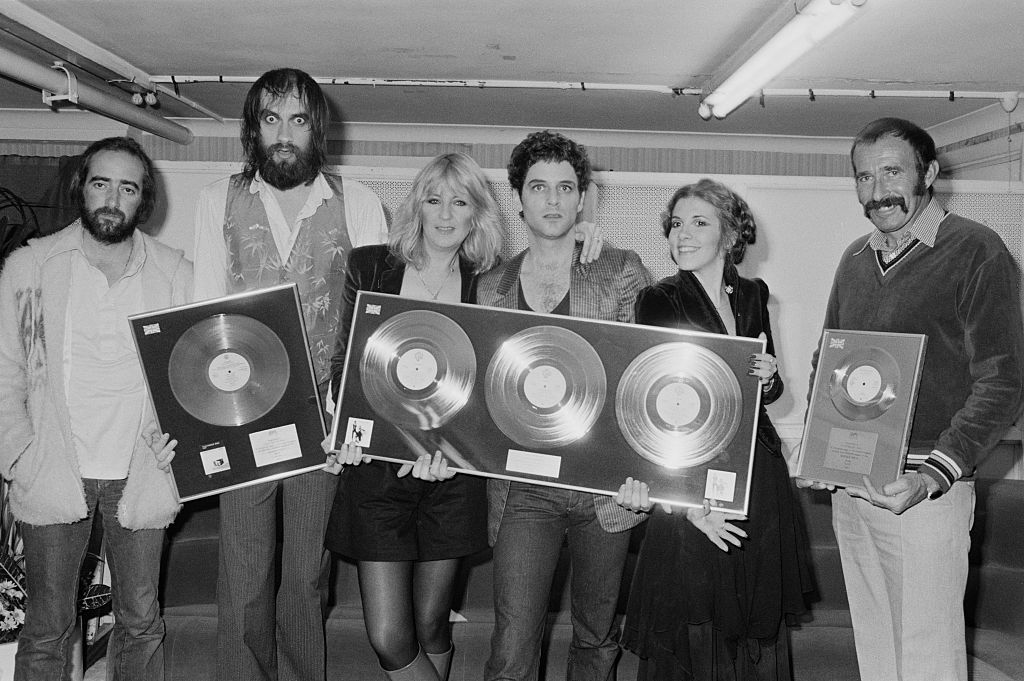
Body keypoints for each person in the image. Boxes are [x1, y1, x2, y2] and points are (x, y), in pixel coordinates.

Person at [798, 117, 1024, 681]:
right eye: (864, 177)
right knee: (876, 653)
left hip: (924, 492)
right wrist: (820, 445)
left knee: (927, 660)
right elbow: (830, 363)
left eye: (892, 172)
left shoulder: (977, 249)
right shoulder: (854, 258)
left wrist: (931, 476)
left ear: (928, 172)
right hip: (855, 486)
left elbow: (1004, 380)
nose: (877, 193)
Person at [191, 68, 387, 681]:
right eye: (270, 119)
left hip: (323, 416)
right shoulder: (214, 200)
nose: (283, 134)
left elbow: (370, 327)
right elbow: (203, 311)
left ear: (315, 130)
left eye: (297, 120)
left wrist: (353, 424)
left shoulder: (357, 204)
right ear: (253, 129)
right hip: (241, 414)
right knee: (243, 574)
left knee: (307, 574)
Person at [0, 136, 187, 680]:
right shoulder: (29, 267)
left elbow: (194, 369)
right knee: (46, 628)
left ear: (142, 200)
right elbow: (5, 367)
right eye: (101, 182)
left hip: (143, 472)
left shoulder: (176, 272)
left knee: (141, 621)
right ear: (82, 186)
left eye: (127, 187)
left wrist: (180, 442)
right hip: (54, 468)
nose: (112, 197)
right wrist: (17, 454)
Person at [615, 179, 811, 680]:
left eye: (699, 222)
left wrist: (770, 378)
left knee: (752, 627)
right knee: (695, 627)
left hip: (759, 477)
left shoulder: (752, 294)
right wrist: (686, 506)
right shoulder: (658, 300)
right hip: (694, 484)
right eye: (677, 224)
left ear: (729, 234)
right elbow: (653, 415)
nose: (682, 234)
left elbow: (767, 394)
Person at [477, 130, 653, 681]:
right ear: (519, 198)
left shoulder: (619, 269)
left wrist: (637, 482)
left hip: (604, 488)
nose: (552, 200)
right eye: (538, 187)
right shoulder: (491, 285)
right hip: (523, 488)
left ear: (582, 198)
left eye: (565, 188)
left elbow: (642, 383)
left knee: (597, 639)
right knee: (511, 646)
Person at [321, 152, 503, 681]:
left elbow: (493, 384)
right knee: (389, 637)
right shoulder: (371, 265)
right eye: (434, 199)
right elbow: (345, 362)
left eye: (460, 201)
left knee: (431, 628)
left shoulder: (489, 280)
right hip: (377, 471)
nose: (445, 214)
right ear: (416, 206)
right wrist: (347, 426)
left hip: (452, 475)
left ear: (476, 213)